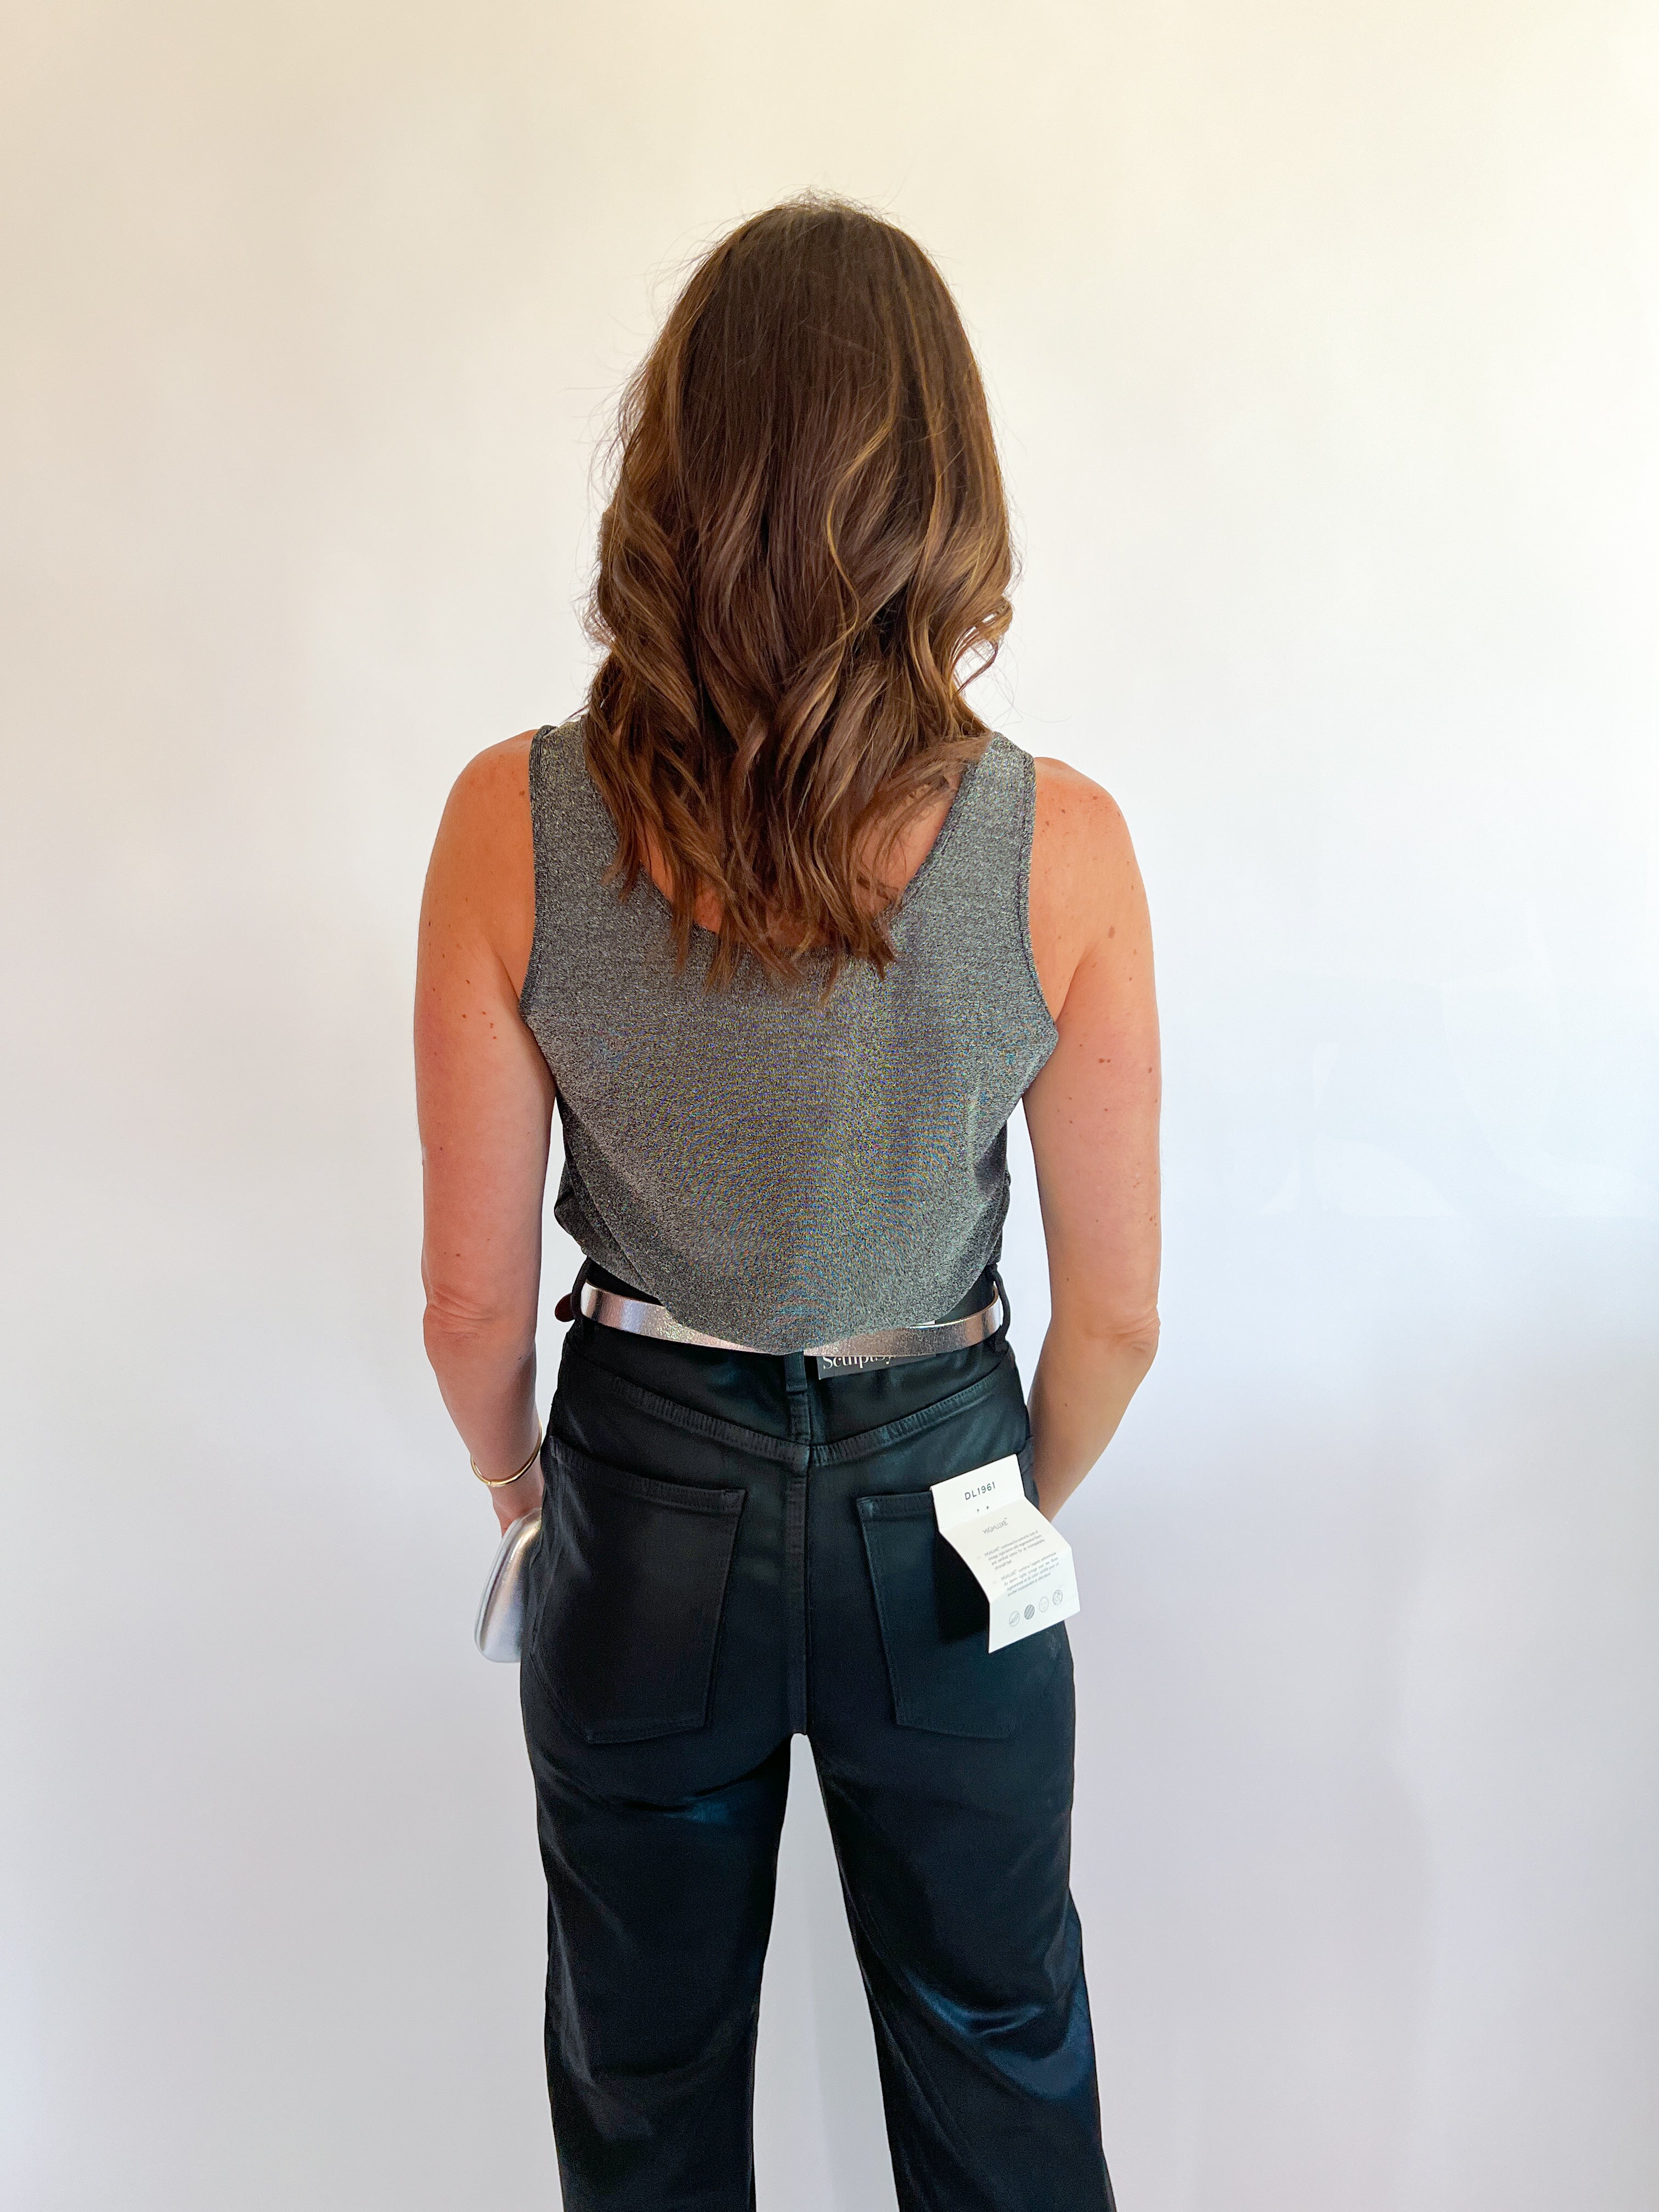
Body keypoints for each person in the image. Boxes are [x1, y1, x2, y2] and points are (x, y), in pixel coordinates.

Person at [415, 195, 1160, 2212]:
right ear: (945, 485)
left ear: (670, 470)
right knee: (1001, 2056)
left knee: (645, 2088)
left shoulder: (510, 822)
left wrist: (523, 1497)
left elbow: (470, 1311)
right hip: (946, 1477)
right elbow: (1115, 1318)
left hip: (646, 1489)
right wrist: (992, 1497)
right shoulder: (1066, 848)